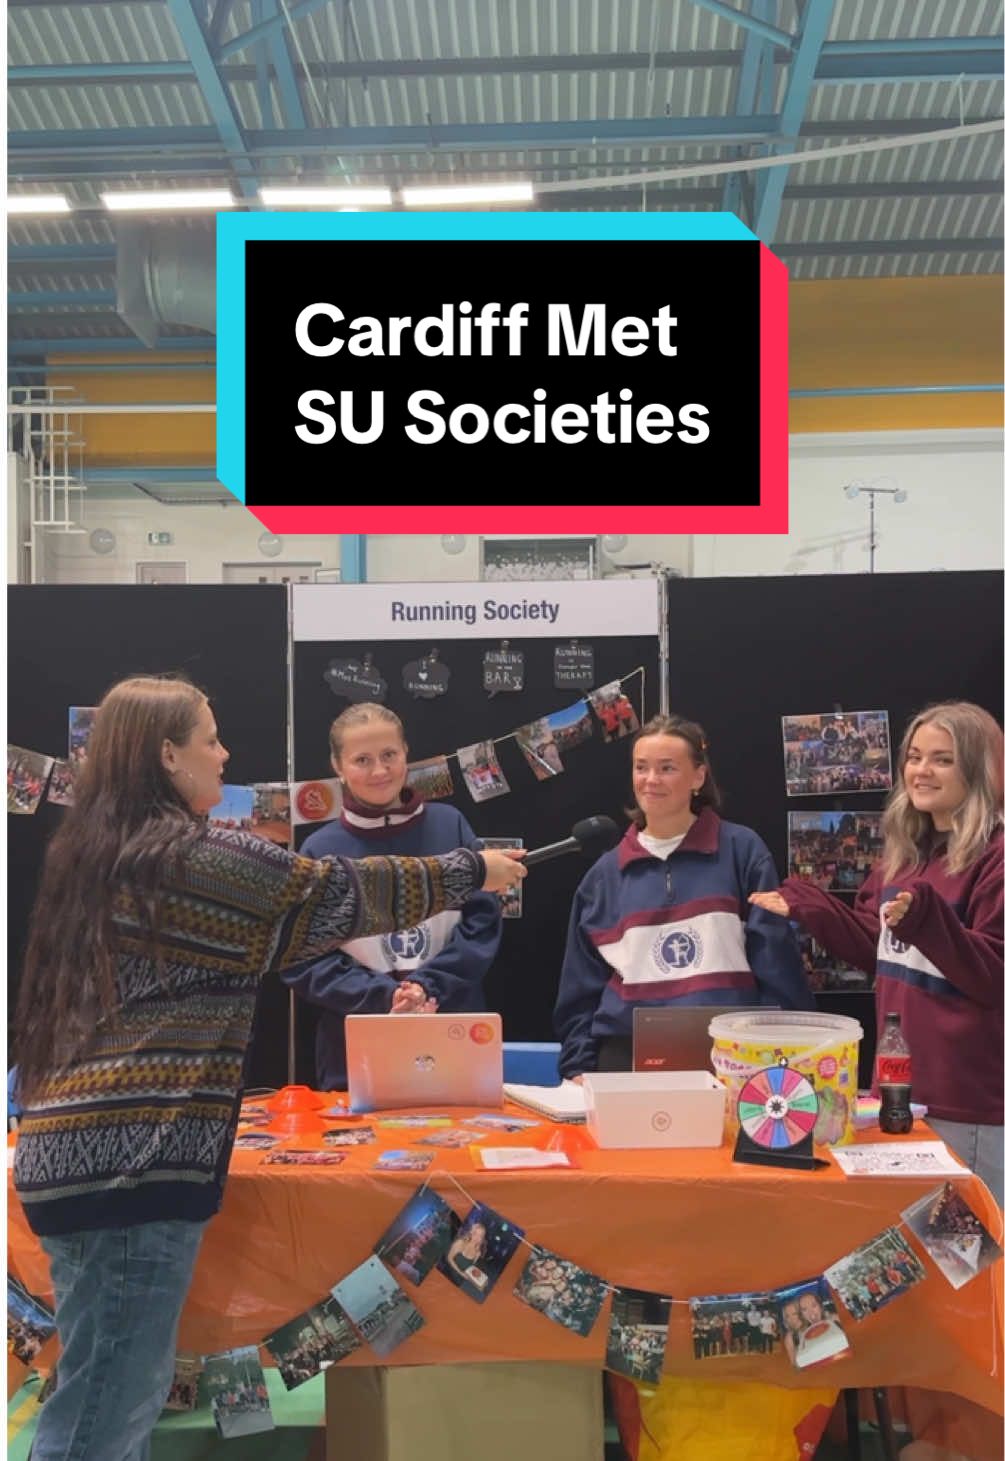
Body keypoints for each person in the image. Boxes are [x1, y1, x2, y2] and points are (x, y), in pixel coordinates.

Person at [10, 675, 524, 1461]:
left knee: (113, 1391)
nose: (226, 753)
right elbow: (331, 892)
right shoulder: (185, 854)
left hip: (93, 1159)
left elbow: (288, 932)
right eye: (210, 738)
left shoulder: (107, 852)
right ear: (167, 753)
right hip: (128, 1167)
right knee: (104, 1409)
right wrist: (472, 870)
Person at [751, 701, 1003, 1203]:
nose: (921, 770)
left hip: (969, 1105)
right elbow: (880, 947)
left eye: (942, 759)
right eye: (914, 757)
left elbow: (993, 976)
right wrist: (813, 908)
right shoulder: (904, 857)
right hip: (899, 1095)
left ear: (979, 770)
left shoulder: (995, 856)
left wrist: (929, 921)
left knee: (974, 1267)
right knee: (921, 1266)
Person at [554, 714, 813, 1079]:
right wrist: (578, 1065)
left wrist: (787, 1053)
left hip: (734, 1060)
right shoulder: (603, 877)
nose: (651, 780)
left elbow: (776, 961)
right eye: (641, 767)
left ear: (698, 777)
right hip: (625, 1062)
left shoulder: (743, 852)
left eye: (667, 768)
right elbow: (579, 987)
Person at [283, 703, 503, 1089]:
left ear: (406, 753)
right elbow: (302, 959)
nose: (380, 771)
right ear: (337, 766)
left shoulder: (450, 826)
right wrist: (385, 997)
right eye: (362, 760)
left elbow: (482, 925)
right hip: (355, 1052)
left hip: (452, 1036)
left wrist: (427, 987)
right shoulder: (319, 851)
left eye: (389, 755)